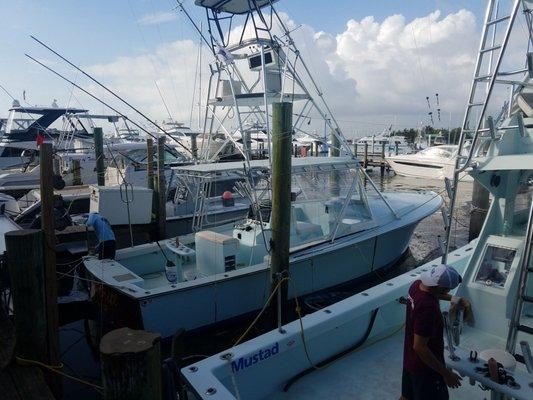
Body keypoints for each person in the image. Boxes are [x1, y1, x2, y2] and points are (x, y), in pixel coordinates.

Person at [401, 264, 471, 400]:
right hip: (425, 370)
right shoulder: (428, 308)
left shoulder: (416, 286)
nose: (448, 291)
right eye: (448, 289)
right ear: (440, 288)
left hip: (409, 359)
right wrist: (446, 374)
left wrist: (455, 299)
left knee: (406, 396)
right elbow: (420, 347)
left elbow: (435, 293)